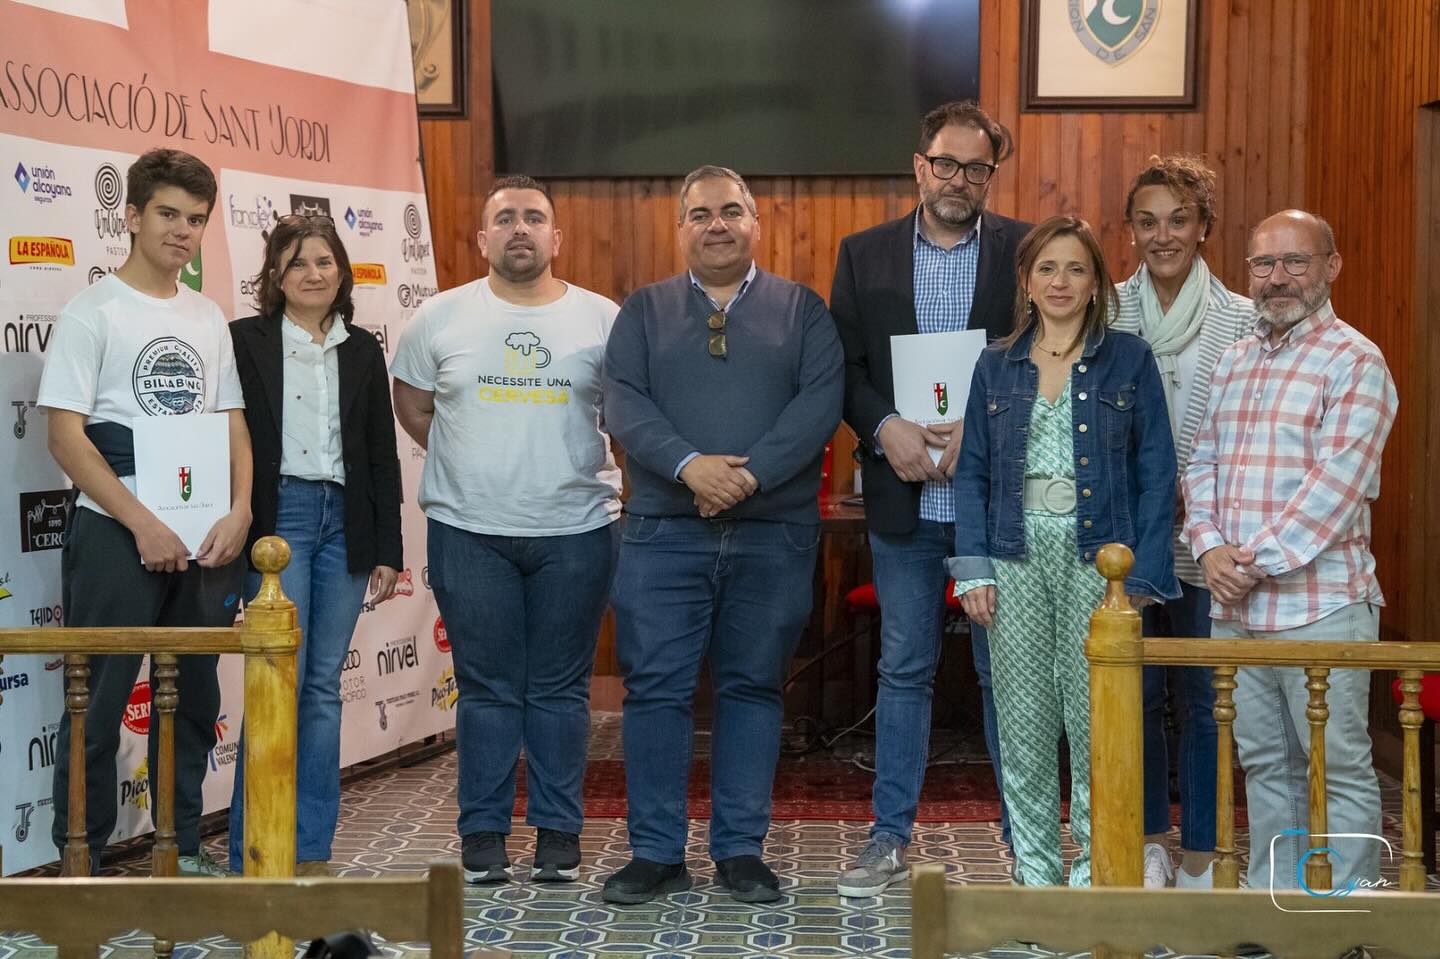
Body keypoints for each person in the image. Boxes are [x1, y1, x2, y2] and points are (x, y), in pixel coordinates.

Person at [600, 165, 843, 904]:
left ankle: (740, 849)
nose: (716, 224)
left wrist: (745, 477)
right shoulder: (640, 312)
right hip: (663, 534)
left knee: (753, 688)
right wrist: (689, 467)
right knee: (656, 692)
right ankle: (655, 851)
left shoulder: (803, 311)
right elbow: (623, 402)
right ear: (679, 229)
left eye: (731, 211)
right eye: (700, 213)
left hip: (773, 535)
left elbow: (820, 401)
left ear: (756, 224)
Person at [391, 175, 622, 885]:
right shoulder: (439, 317)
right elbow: (415, 407)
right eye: (505, 219)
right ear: (483, 239)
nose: (520, 229)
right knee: (487, 691)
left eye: (534, 217)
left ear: (556, 238)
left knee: (560, 690)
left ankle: (558, 836)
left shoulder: (603, 319)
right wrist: (479, 464)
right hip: (470, 531)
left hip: (578, 531)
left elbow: (624, 415)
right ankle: (483, 838)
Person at [829, 99, 1029, 897]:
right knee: (904, 666)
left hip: (994, 501)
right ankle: (888, 839)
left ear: (990, 175)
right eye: (946, 163)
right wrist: (886, 429)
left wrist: (980, 430)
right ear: (919, 165)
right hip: (905, 496)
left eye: (976, 167)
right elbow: (844, 368)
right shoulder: (863, 253)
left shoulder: (1024, 250)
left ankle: (1026, 838)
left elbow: (1046, 353)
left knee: (1003, 672)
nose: (959, 179)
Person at [39, 148, 252, 877]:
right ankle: (81, 863)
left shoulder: (207, 316)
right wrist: (140, 521)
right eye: (168, 214)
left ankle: (183, 849)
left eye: (196, 219)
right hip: (114, 528)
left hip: (202, 532)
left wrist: (241, 510)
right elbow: (65, 436)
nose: (183, 231)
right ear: (131, 216)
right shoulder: (89, 312)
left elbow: (232, 425)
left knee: (193, 699)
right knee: (96, 703)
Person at [949, 215, 1179, 887]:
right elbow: (971, 473)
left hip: (1100, 563)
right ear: (1025, 281)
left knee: (1096, 723)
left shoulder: (1128, 359)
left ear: (1096, 284)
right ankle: (1038, 878)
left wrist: (1145, 573)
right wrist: (973, 568)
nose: (1060, 281)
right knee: (1022, 725)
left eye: (1076, 268)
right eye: (1047, 268)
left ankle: (1093, 881)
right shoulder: (996, 363)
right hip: (1012, 557)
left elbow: (1157, 471)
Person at [1183, 209, 1396, 892]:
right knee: (1265, 763)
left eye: (1294, 262)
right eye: (1263, 264)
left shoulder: (1356, 360)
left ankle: (1343, 908)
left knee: (1333, 764)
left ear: (1331, 267)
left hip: (1322, 605)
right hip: (1237, 609)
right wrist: (1209, 546)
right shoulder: (1235, 356)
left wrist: (1247, 566)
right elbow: (1203, 460)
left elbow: (1338, 486)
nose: (1277, 278)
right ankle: (1276, 902)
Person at [226, 214, 402, 876]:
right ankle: (255, 840)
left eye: (325, 261)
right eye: (297, 262)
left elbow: (383, 454)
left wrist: (389, 545)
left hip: (345, 522)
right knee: (277, 679)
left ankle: (309, 847)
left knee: (323, 685)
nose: (313, 273)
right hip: (280, 520)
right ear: (275, 275)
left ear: (342, 272)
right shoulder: (244, 341)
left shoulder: (362, 348)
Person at [1111, 155, 1252, 889]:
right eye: (1147, 221)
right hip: (1129, 542)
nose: (1162, 235)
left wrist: (1197, 508)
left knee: (1203, 696)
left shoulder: (1240, 317)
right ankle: (1146, 839)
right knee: (1133, 689)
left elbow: (1245, 433)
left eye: (1178, 219)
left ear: (1203, 228)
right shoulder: (1109, 311)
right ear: (1130, 230)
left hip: (1209, 539)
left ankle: (1201, 845)